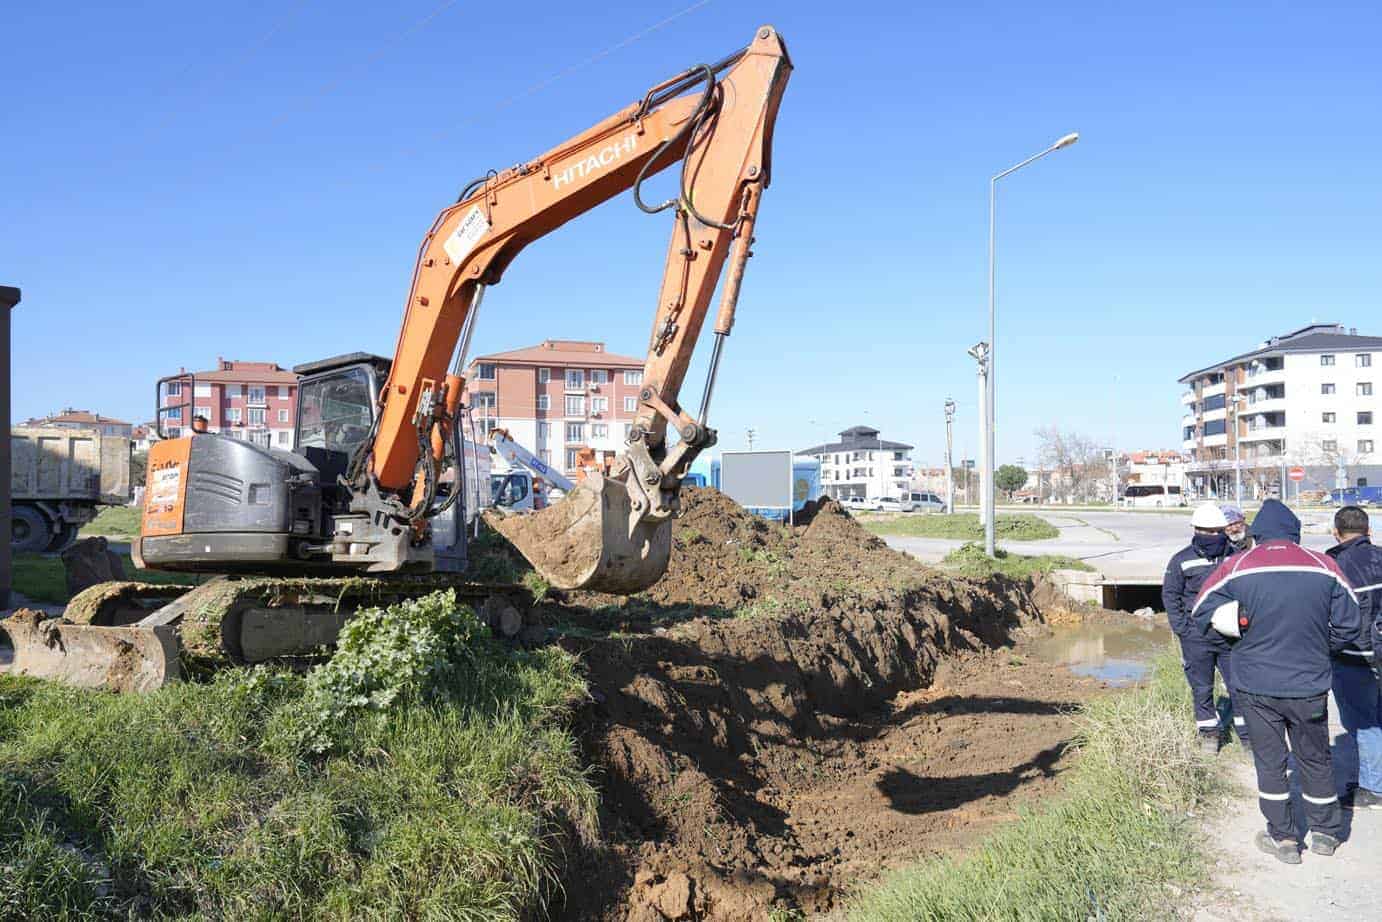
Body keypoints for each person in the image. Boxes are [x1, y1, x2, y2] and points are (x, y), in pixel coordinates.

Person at [1192, 500, 1361, 863]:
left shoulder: (1235, 567)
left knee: (1270, 763)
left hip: (1255, 685)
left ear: (1258, 534)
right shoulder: (1324, 565)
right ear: (1295, 533)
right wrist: (1320, 648)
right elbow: (1350, 623)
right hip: (1309, 684)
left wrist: (1236, 641)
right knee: (1315, 759)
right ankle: (1326, 834)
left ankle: (1284, 839)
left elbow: (1200, 614)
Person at [1163, 503, 1243, 753]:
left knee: (1239, 687)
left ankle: (1248, 737)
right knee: (1202, 688)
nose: (1212, 537)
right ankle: (1209, 735)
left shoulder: (1235, 558)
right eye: (1206, 532)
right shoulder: (1181, 560)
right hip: (1196, 637)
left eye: (1217, 531)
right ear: (1196, 530)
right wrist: (1183, 630)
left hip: (1230, 638)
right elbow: (1171, 596)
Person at [1325, 505, 1382, 810]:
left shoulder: (1334, 565)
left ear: (1336, 532)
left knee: (1365, 723)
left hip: (1354, 656)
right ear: (1369, 530)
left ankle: (1374, 788)